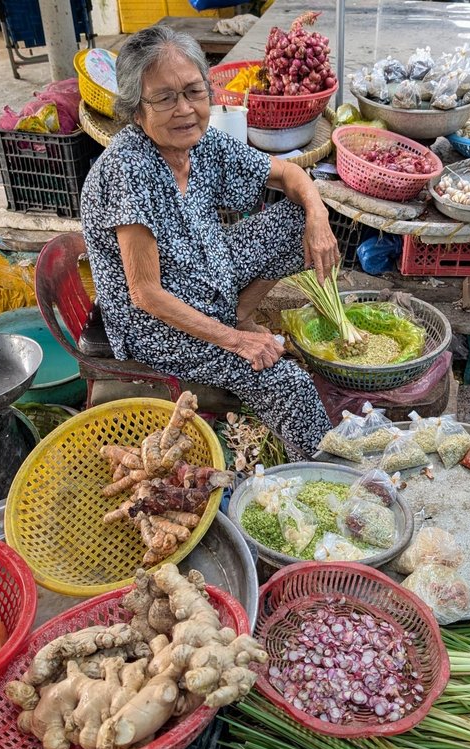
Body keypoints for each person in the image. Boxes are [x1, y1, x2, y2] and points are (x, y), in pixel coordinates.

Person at [81, 25, 340, 457]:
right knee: (288, 383)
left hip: (205, 269)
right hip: (156, 327)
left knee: (297, 220)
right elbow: (145, 294)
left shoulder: (200, 145)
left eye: (194, 92)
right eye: (164, 98)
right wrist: (235, 341)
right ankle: (320, 469)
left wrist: (317, 216)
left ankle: (235, 313)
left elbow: (290, 174)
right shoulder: (127, 171)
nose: (184, 109)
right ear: (135, 110)